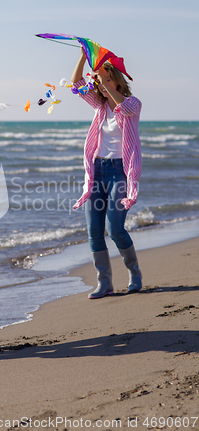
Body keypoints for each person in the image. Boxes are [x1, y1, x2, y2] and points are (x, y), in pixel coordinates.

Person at [71, 48, 142, 299]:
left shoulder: (131, 104)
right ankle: (105, 283)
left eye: (107, 79)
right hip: (97, 171)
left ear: (117, 81)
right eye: (100, 80)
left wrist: (106, 85)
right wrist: (83, 57)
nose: (102, 84)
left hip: (120, 171)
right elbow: (76, 84)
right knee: (94, 231)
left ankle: (134, 274)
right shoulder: (99, 105)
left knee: (115, 229)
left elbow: (124, 105)